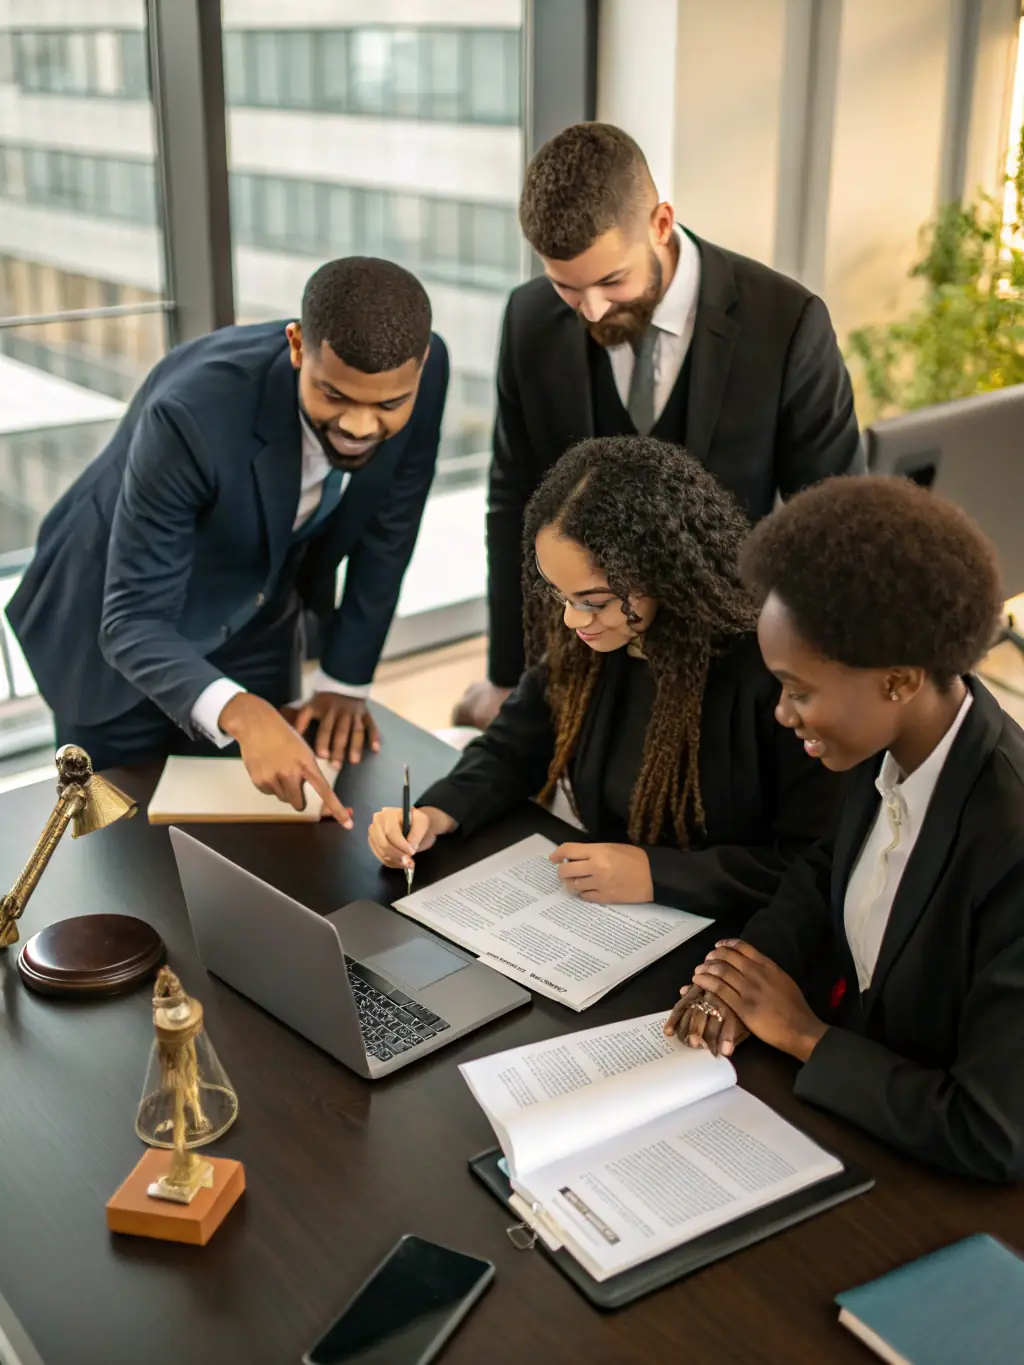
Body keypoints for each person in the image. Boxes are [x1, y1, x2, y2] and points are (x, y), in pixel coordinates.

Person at [667, 476, 1024, 1182]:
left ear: (898, 680)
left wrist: (803, 1034)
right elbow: (826, 869)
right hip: (851, 1129)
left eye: (799, 690)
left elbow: (989, 1130)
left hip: (939, 1189)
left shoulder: (1011, 842)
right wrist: (744, 979)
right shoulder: (883, 745)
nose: (781, 713)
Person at [6, 257, 449, 822]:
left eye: (387, 405)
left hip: (254, 606)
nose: (361, 426)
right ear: (296, 347)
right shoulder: (193, 412)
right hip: (111, 629)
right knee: (122, 850)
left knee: (270, 831)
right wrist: (239, 710)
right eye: (334, 396)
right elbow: (131, 619)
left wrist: (344, 679)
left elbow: (390, 525)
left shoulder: (425, 374)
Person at [456, 122, 861, 731]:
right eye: (567, 286)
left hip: (731, 664)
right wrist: (508, 675)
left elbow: (831, 521)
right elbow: (512, 500)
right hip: (584, 652)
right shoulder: (527, 320)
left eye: (612, 281)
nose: (590, 310)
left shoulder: (786, 323)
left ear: (662, 224)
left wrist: (811, 682)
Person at [369, 436, 839, 917]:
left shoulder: (770, 672)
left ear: (664, 572)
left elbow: (814, 858)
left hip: (728, 934)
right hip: (608, 915)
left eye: (592, 601)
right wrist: (435, 814)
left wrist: (658, 875)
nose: (572, 620)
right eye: (560, 595)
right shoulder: (595, 641)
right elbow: (513, 747)